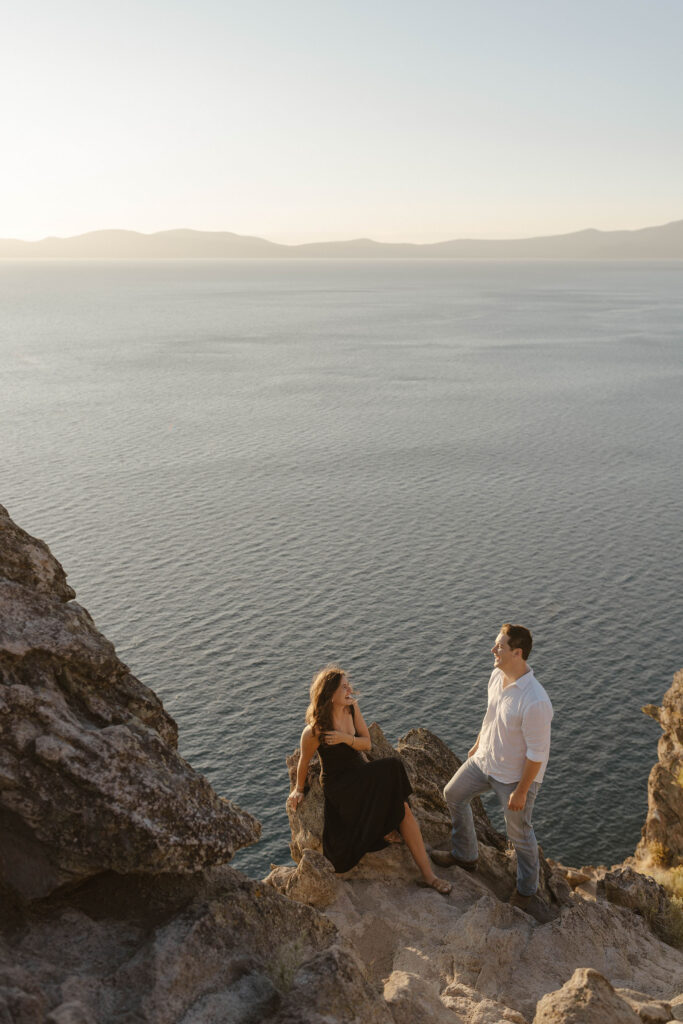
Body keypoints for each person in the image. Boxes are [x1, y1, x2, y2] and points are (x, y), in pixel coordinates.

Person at [287, 664, 452, 895]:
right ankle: (391, 831)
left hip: (360, 772)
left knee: (402, 807)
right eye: (343, 687)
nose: (349, 690)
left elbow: (366, 743)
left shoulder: (352, 708)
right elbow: (304, 762)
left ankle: (429, 876)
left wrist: (344, 738)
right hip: (340, 785)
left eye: (348, 685)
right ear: (330, 694)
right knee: (394, 773)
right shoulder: (315, 730)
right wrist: (299, 789)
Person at [431, 624, 553, 911]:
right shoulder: (497, 676)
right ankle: (465, 855)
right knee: (453, 794)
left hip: (514, 778)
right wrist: (478, 744)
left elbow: (537, 755)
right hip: (484, 760)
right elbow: (491, 716)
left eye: (499, 646)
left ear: (517, 652)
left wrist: (522, 791)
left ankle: (526, 892)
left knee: (520, 835)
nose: (493, 650)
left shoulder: (535, 701)